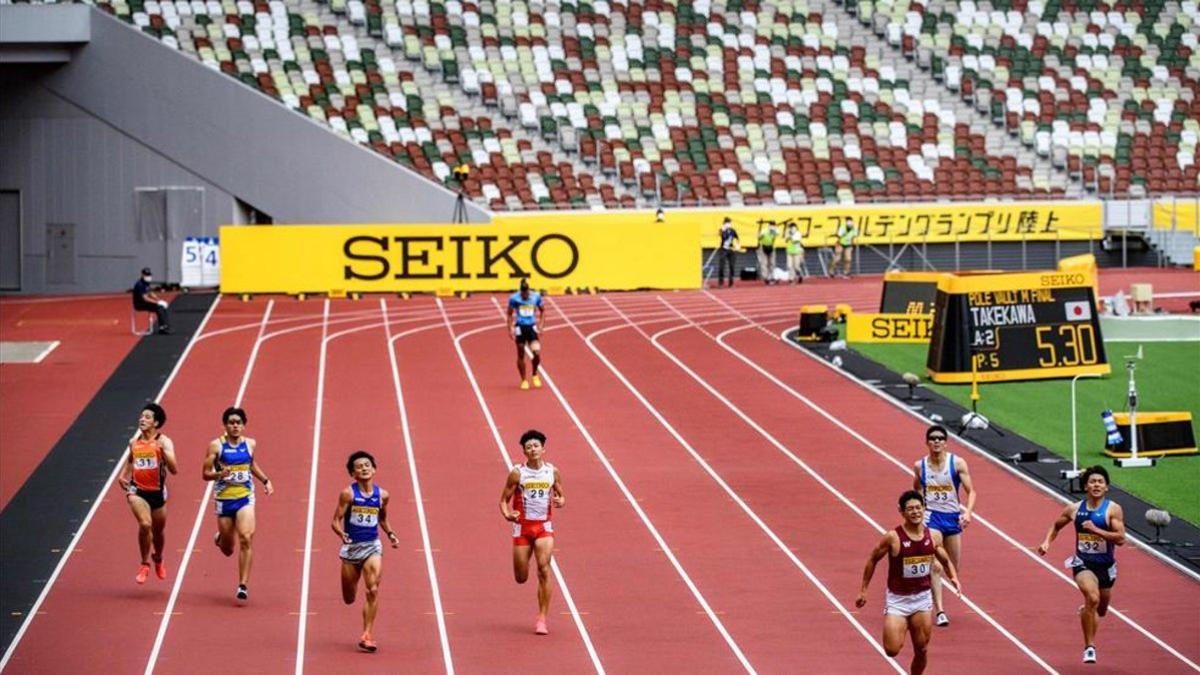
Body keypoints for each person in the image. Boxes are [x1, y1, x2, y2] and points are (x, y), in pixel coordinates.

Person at [856, 490, 960, 675]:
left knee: (921, 649)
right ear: (902, 512)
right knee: (892, 650)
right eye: (910, 509)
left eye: (918, 508)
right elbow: (872, 559)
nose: (915, 512)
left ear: (924, 509)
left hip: (921, 599)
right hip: (898, 600)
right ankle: (902, 626)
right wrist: (864, 590)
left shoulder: (933, 536)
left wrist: (953, 577)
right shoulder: (893, 537)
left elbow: (943, 557)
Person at [1037, 465, 1126, 664]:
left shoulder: (1113, 509)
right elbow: (1056, 525)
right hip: (1083, 564)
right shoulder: (1075, 509)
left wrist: (1096, 530)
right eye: (1092, 482)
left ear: (1106, 487)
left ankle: (1086, 611)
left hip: (1107, 567)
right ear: (1086, 486)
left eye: (1100, 482)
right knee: (1092, 598)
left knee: (1100, 610)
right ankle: (1089, 648)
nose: (1096, 485)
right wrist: (1046, 542)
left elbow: (1120, 539)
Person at [202, 406, 274, 601]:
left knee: (246, 538)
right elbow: (205, 474)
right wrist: (219, 474)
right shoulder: (216, 446)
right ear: (225, 425)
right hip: (224, 500)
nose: (235, 426)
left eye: (238, 423)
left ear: (243, 425)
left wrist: (265, 480)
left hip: (245, 497)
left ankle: (243, 585)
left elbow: (251, 465)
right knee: (228, 549)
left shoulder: (250, 444)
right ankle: (221, 539)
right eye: (231, 422)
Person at [331, 451, 399, 653]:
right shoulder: (348, 494)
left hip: (372, 546)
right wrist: (341, 534)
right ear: (353, 473)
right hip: (352, 548)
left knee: (373, 589)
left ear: (374, 469)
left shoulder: (383, 495)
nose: (364, 468)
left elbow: (383, 519)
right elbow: (335, 520)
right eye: (359, 466)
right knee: (349, 597)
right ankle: (353, 598)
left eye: (367, 465)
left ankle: (367, 634)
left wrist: (391, 533)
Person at [498, 429, 565, 635]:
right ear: (524, 452)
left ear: (543, 449)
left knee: (544, 569)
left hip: (544, 527)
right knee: (521, 577)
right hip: (523, 528)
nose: (533, 449)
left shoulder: (552, 471)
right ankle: (524, 561)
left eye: (536, 445)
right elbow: (502, 501)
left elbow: (561, 495)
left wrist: (560, 501)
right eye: (529, 447)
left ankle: (542, 618)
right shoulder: (517, 473)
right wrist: (508, 514)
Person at [911, 424, 976, 627]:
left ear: (946, 442)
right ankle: (939, 610)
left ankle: (926, 585)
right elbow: (917, 490)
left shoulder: (957, 463)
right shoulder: (920, 466)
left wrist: (968, 512)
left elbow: (971, 491)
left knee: (952, 568)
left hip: (952, 518)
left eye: (940, 438)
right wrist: (918, 514)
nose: (937, 441)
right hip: (933, 518)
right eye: (933, 438)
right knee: (936, 565)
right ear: (927, 442)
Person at [117, 403, 178, 584]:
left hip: (158, 493)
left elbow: (174, 469)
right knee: (145, 524)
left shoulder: (164, 441)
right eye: (141, 416)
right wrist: (122, 475)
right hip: (137, 490)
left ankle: (158, 558)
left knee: (158, 532)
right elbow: (131, 459)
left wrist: (162, 452)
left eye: (147, 417)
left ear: (156, 423)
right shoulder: (133, 442)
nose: (142, 419)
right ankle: (144, 564)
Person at [506, 279, 545, 390]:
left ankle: (534, 374)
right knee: (521, 352)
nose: (525, 295)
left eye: (526, 293)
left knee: (536, 353)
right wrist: (510, 329)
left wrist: (541, 326)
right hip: (520, 328)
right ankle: (524, 380)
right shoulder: (514, 298)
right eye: (523, 294)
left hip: (532, 328)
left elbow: (543, 311)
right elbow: (509, 314)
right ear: (520, 291)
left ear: (528, 290)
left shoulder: (536, 296)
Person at [132, 267, 171, 334]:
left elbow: (150, 293)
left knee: (162, 307)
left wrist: (159, 299)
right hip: (140, 304)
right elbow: (145, 298)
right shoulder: (140, 284)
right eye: (146, 275)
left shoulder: (146, 283)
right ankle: (163, 327)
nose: (148, 277)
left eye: (149, 275)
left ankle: (164, 326)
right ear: (142, 275)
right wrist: (157, 302)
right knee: (159, 307)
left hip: (145, 303)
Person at [716, 217, 740, 288]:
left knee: (732, 266)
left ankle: (731, 283)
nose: (728, 224)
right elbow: (721, 236)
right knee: (722, 266)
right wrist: (723, 230)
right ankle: (721, 283)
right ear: (724, 223)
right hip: (723, 249)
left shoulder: (733, 230)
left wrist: (737, 246)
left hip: (731, 249)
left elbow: (737, 238)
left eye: (729, 222)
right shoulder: (722, 230)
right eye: (727, 223)